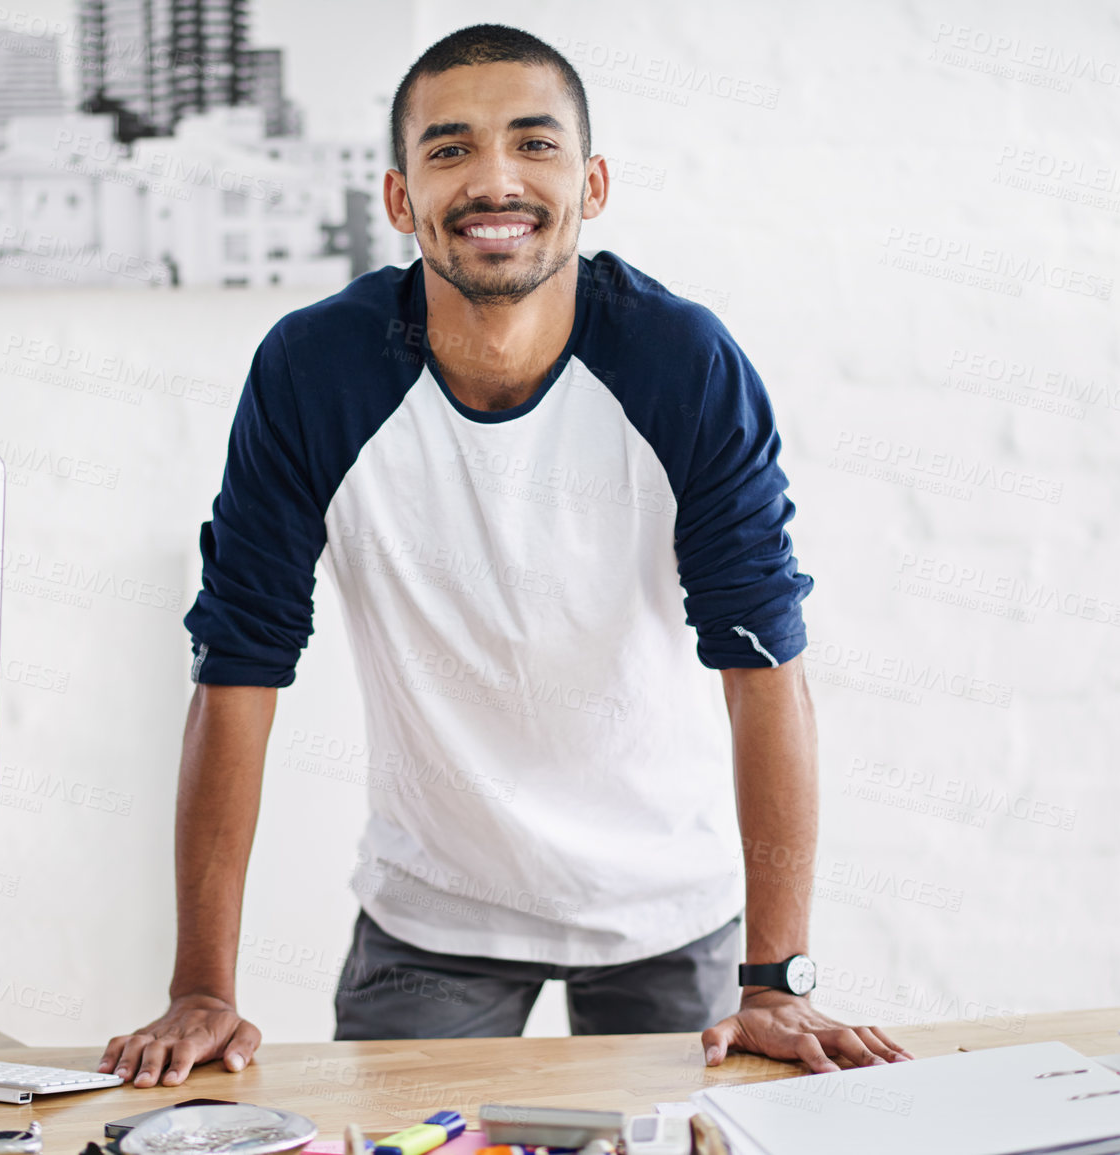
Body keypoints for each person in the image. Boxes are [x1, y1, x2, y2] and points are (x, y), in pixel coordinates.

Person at [99, 23, 913, 1088]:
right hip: (432, 910)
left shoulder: (684, 365)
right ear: (399, 198)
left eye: (534, 144)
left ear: (593, 181)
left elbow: (767, 672)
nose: (495, 180)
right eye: (449, 150)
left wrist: (777, 980)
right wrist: (201, 989)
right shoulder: (316, 373)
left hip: (669, 907)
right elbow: (237, 668)